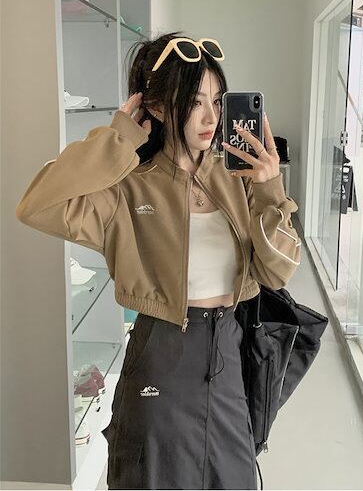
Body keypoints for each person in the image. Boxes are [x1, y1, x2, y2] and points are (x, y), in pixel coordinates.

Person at [16, 31, 302, 490]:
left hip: (228, 353)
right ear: (159, 107)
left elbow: (277, 271)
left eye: (217, 101)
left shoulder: (238, 177)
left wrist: (270, 188)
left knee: (233, 478)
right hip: (161, 357)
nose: (212, 117)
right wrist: (117, 139)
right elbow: (36, 206)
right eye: (195, 102)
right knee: (156, 478)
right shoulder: (129, 186)